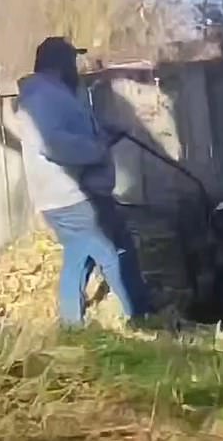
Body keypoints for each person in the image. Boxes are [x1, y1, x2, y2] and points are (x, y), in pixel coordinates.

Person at [16, 37, 154, 327]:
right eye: (72, 61)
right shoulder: (43, 97)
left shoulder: (52, 93)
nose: (76, 68)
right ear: (59, 64)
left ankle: (71, 324)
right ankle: (142, 317)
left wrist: (103, 133)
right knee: (114, 251)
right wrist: (98, 149)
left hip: (66, 193)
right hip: (71, 195)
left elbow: (70, 132)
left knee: (79, 254)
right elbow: (54, 143)